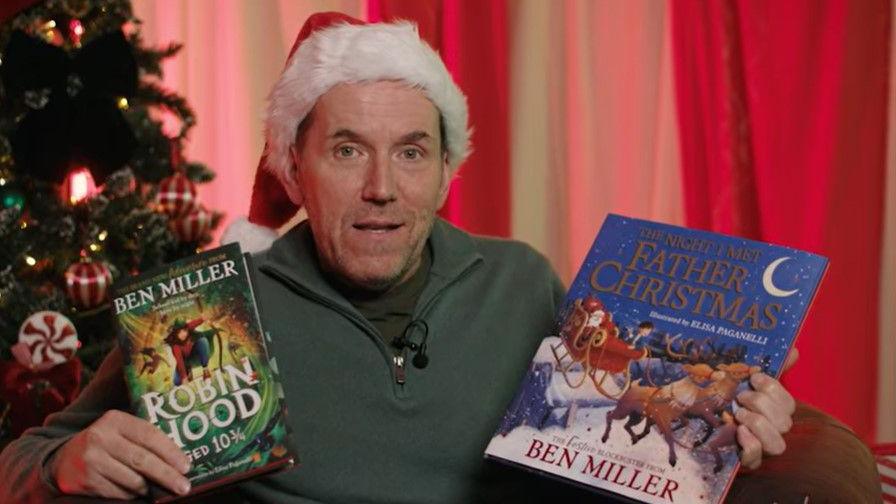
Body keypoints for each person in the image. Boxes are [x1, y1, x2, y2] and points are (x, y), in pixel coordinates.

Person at [0, 12, 798, 502]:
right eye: (347, 150)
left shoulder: (523, 281)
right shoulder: (209, 308)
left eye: (412, 153)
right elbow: (21, 463)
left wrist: (732, 422)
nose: (382, 186)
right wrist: (67, 460)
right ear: (293, 167)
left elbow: (630, 428)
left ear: (448, 171)